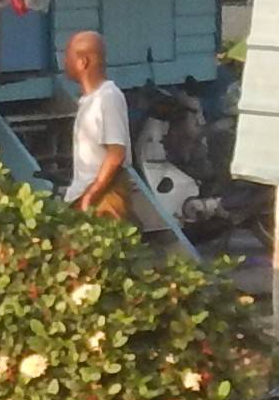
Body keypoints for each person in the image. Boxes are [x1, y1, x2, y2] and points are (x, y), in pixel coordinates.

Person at [62, 25, 188, 249]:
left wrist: (93, 193)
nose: (64, 62)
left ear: (83, 62)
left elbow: (116, 152)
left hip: (104, 194)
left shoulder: (108, 97)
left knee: (105, 253)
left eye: (68, 56)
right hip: (84, 193)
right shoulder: (89, 100)